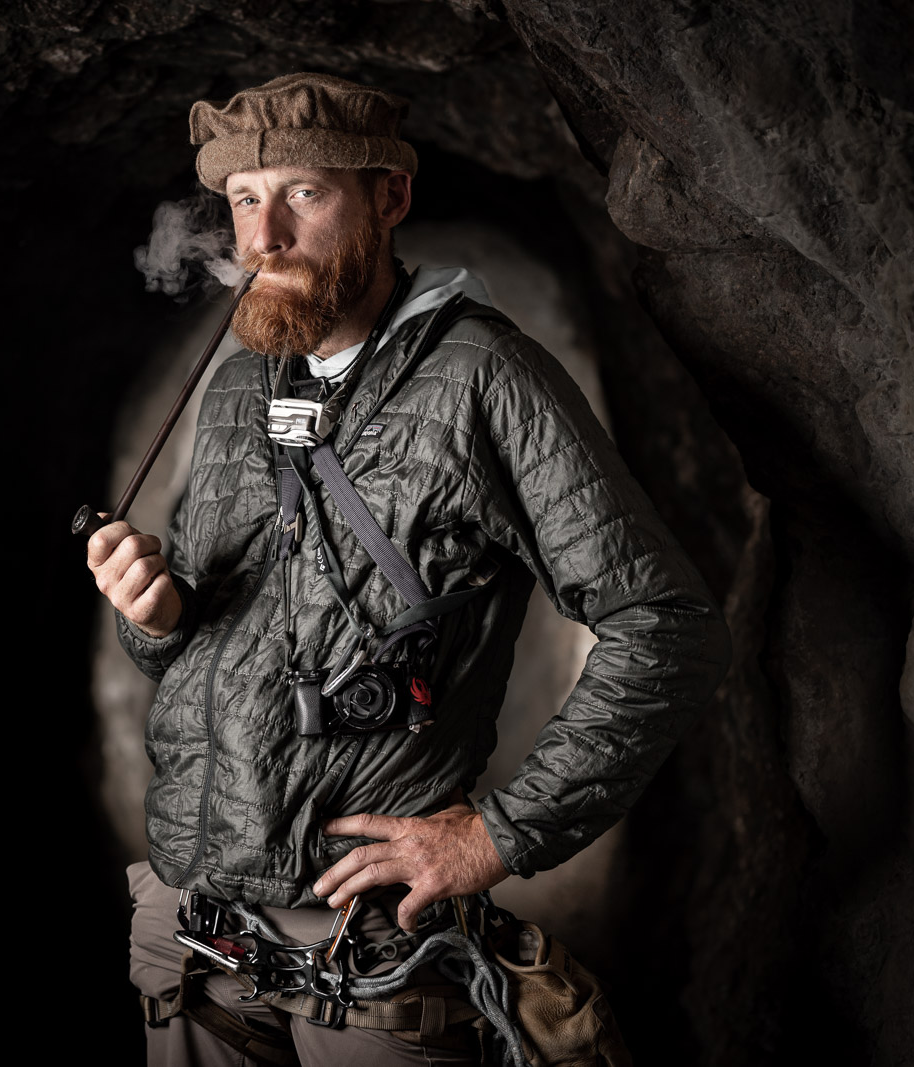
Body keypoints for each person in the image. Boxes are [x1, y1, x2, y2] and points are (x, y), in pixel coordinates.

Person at [86, 72, 731, 1066]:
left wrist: (499, 834)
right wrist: (156, 613)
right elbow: (195, 637)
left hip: (365, 947)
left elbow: (666, 622)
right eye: (245, 199)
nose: (263, 237)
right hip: (193, 924)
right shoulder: (234, 389)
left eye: (302, 193)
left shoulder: (484, 378)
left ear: (389, 196)